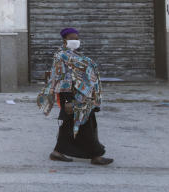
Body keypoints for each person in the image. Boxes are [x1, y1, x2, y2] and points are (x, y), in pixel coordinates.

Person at [37, 27, 113, 165]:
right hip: (71, 97)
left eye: (77, 38)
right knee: (84, 125)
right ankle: (95, 155)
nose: (75, 41)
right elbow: (62, 79)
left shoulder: (74, 55)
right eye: (72, 38)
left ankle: (58, 152)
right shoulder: (61, 56)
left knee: (71, 125)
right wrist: (67, 100)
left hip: (83, 97)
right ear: (64, 40)